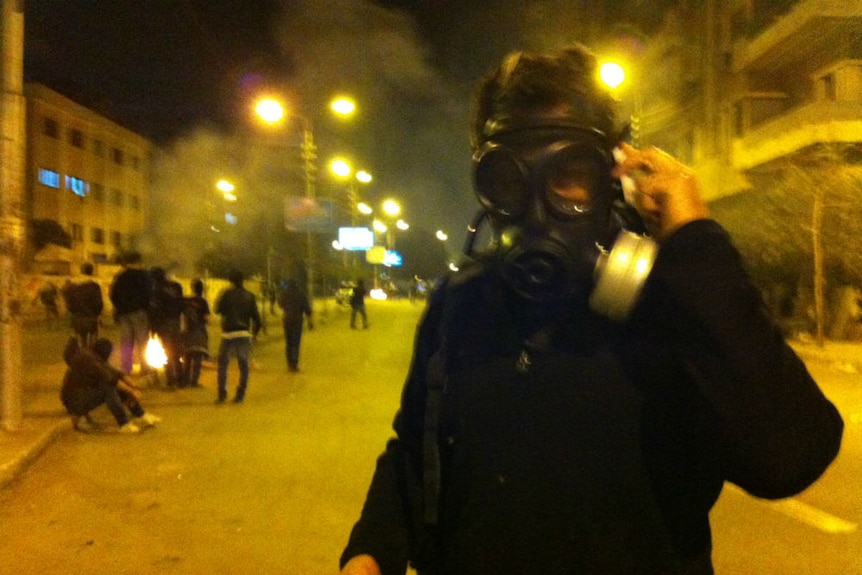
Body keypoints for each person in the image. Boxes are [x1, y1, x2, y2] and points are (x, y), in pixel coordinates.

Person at [339, 44, 843, 575]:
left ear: (615, 173)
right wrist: (372, 549)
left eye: (569, 175)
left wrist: (694, 242)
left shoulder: (672, 301)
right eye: (510, 179)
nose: (537, 210)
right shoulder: (461, 302)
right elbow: (416, 454)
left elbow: (788, 458)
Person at [60, 337, 161, 434]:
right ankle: (124, 424)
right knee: (108, 388)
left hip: (82, 395)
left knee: (118, 387)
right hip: (74, 401)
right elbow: (112, 380)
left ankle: (141, 415)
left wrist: (133, 386)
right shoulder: (89, 360)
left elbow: (115, 373)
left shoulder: (93, 355)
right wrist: (132, 392)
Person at [214, 271, 261, 404]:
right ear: (243, 281)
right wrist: (254, 335)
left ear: (231, 281)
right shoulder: (250, 296)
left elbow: (217, 310)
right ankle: (240, 395)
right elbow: (257, 320)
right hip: (244, 334)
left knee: (223, 365)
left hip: (228, 334)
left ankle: (222, 395)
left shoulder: (227, 295)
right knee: (244, 366)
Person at [109, 251, 153, 374]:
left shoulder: (120, 276)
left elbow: (113, 295)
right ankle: (144, 366)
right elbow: (149, 294)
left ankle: (126, 367)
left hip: (124, 313)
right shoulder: (144, 275)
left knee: (127, 340)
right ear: (138, 261)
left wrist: (119, 307)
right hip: (139, 312)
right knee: (142, 340)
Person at [149, 267, 185, 386]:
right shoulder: (176, 286)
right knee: (176, 350)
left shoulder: (156, 291)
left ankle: (171, 378)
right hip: (176, 322)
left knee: (167, 351)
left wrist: (153, 328)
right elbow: (181, 304)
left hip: (163, 324)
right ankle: (181, 378)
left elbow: (154, 310)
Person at [277, 278, 313, 372]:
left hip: (287, 320)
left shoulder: (284, 293)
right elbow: (307, 308)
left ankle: (289, 363)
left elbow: (280, 304)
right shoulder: (301, 293)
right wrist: (310, 321)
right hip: (297, 321)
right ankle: (294, 364)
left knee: (288, 342)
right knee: (296, 343)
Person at [64, 262, 104, 348]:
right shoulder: (94, 286)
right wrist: (97, 314)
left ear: (81, 271)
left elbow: (69, 303)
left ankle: (83, 356)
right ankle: (91, 356)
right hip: (91, 317)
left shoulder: (72, 287)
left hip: (77, 317)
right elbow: (99, 303)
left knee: (81, 341)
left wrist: (73, 312)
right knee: (92, 342)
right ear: (91, 271)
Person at [181, 278, 210, 388]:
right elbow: (207, 319)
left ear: (192, 288)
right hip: (199, 332)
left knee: (187, 357)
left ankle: (185, 380)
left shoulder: (187, 301)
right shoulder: (203, 302)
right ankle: (194, 382)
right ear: (202, 289)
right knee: (198, 357)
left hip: (188, 331)